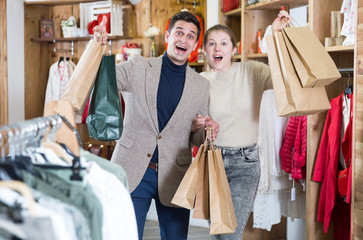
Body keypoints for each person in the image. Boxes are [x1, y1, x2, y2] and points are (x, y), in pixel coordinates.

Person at [94, 11, 219, 240]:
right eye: (179, 33)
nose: (184, 39)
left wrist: (205, 129)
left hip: (175, 175)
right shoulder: (138, 66)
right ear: (167, 36)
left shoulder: (201, 85)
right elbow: (103, 77)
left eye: (190, 36)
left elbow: (198, 138)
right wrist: (97, 46)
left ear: (195, 44)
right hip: (131, 170)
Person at [200, 10, 291, 239]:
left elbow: (283, 78)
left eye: (223, 43)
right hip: (213, 162)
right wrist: (199, 123)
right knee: (219, 233)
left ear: (234, 49)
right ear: (205, 51)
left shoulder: (254, 71)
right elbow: (188, 122)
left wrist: (276, 35)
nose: (217, 49)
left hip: (246, 164)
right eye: (211, 44)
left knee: (231, 233)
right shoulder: (199, 82)